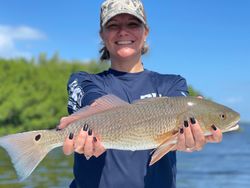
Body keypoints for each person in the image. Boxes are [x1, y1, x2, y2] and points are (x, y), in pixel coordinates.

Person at [57, 0, 223, 187]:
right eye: (113, 25)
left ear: (146, 32)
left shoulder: (173, 84)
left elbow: (183, 110)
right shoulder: (83, 80)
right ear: (102, 35)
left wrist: (190, 140)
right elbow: (93, 99)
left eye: (133, 24)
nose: (123, 31)